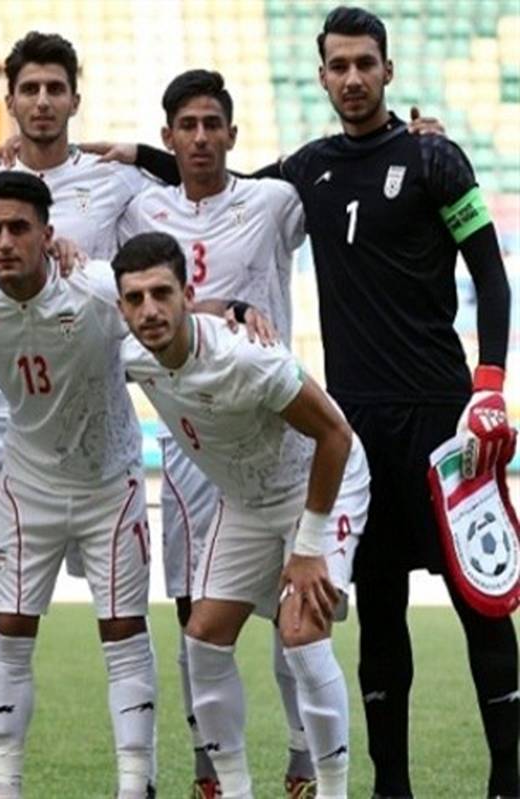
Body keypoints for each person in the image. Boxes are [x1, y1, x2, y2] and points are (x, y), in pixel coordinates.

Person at [269, 9, 516, 796]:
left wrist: (488, 386)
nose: (352, 78)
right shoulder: (308, 169)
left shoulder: (435, 158)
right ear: (321, 76)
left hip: (444, 420)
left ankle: (508, 779)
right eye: (338, 65)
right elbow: (215, 187)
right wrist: (134, 157)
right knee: (378, 609)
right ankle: (391, 787)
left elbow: (492, 278)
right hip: (356, 429)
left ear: (388, 69)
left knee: (483, 601)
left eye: (364, 64)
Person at [0, 32, 152, 796]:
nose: (41, 101)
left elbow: (187, 205)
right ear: (10, 99)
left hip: (94, 429)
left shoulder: (113, 181)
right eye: (28, 89)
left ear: (74, 97)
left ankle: (145, 776)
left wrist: (143, 152)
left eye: (54, 88)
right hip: (2, 432)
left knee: (124, 618)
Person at [116, 230, 371, 799]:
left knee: (301, 634)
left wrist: (308, 545)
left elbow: (335, 434)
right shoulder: (132, 353)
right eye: (135, 298)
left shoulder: (247, 357)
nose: (149, 310)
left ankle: (333, 792)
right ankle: (234, 791)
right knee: (203, 637)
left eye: (162, 293)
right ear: (121, 308)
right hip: (246, 500)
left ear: (186, 296)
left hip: (319, 483)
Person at [115, 69, 310, 798]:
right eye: (186, 127)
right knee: (193, 605)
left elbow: (345, 178)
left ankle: (303, 757)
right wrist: (132, 154)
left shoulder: (273, 201)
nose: (200, 138)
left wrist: (415, 142)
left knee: (295, 608)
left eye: (212, 125)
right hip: (191, 442)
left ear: (233, 133)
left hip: (275, 429)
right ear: (169, 137)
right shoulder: (140, 207)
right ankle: (210, 765)